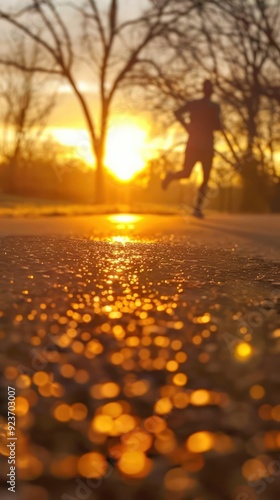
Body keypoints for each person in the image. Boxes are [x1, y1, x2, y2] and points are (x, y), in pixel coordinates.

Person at [162, 79, 222, 218]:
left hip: (207, 146)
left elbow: (217, 126)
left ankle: (197, 208)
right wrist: (187, 126)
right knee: (186, 173)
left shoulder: (215, 107)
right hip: (194, 145)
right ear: (204, 90)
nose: (209, 90)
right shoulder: (194, 104)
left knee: (206, 178)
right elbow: (177, 113)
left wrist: (215, 122)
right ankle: (170, 176)